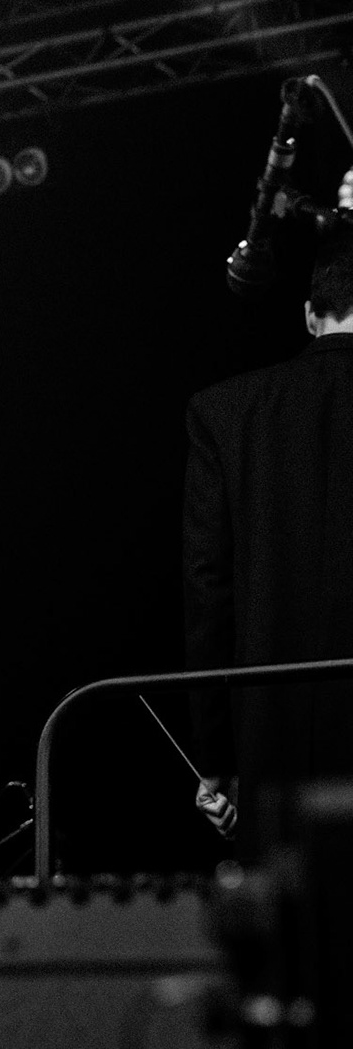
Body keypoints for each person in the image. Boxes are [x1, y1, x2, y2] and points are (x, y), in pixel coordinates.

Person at [184, 227, 353, 851]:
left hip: (271, 748)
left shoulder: (225, 412)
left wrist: (216, 759)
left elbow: (209, 593)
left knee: (291, 937)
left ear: (311, 316)